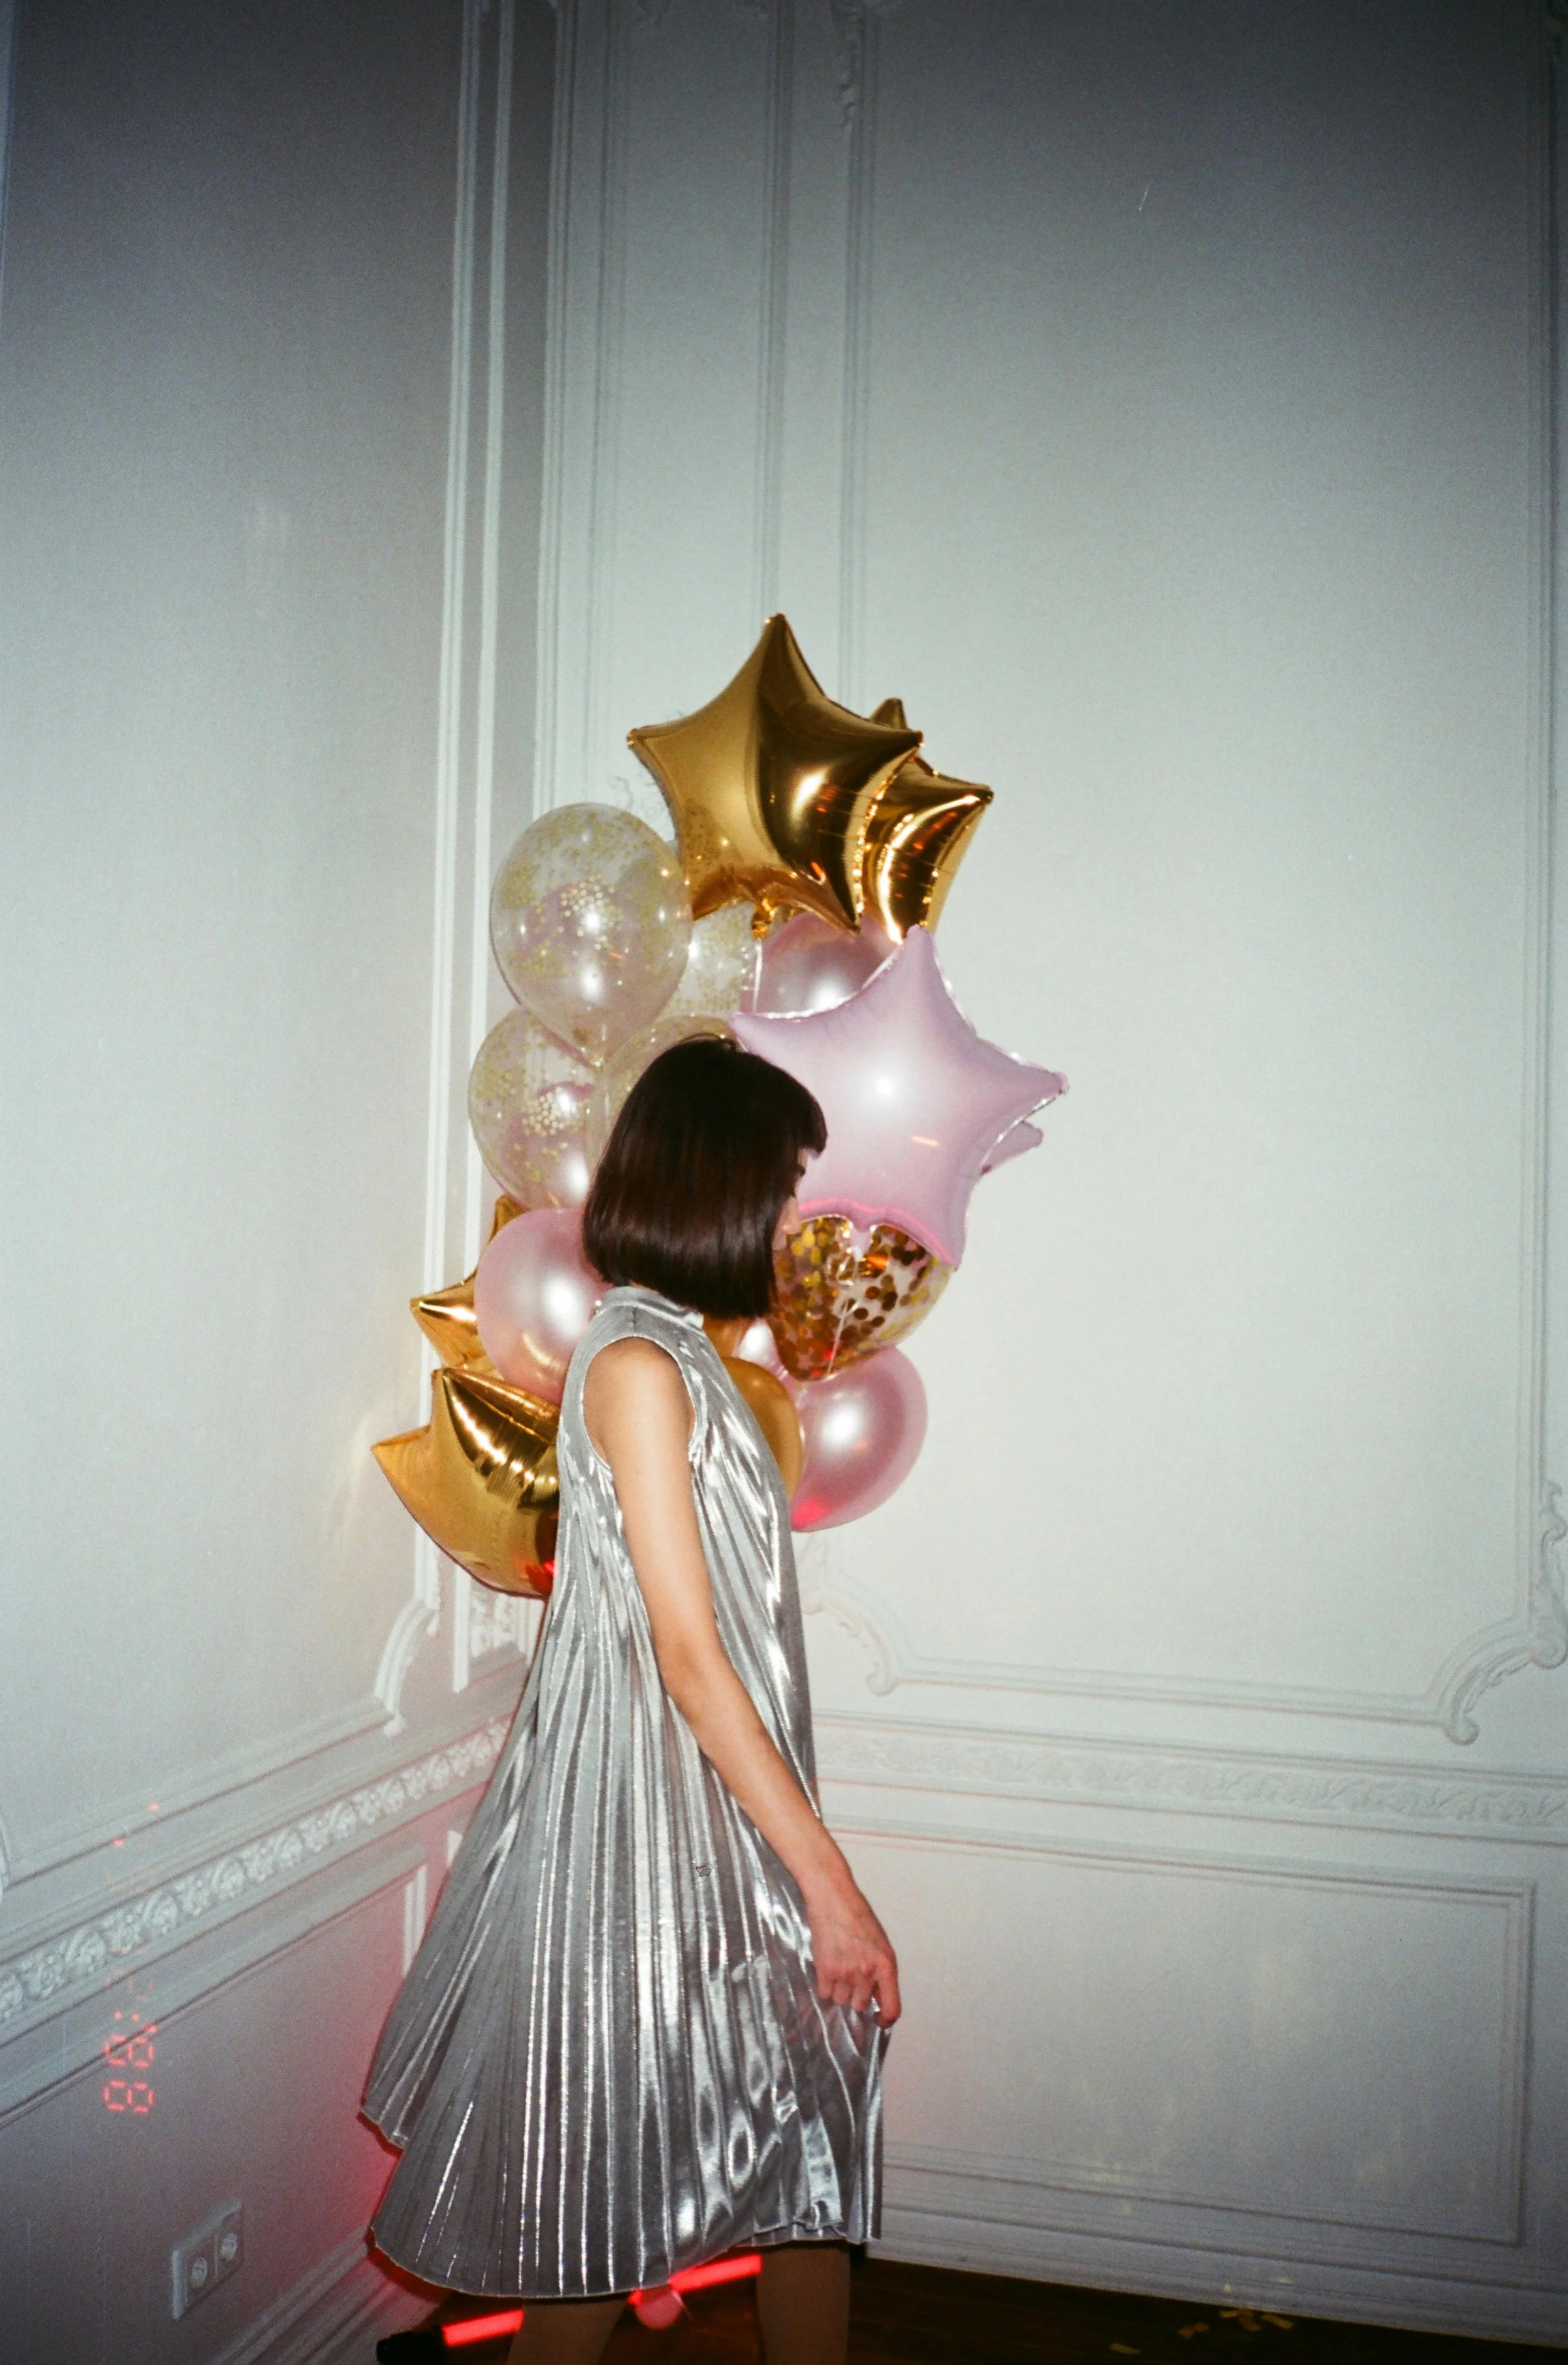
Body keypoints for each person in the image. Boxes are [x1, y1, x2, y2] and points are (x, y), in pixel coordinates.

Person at [364, 1034, 900, 2365]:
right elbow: (690, 1656)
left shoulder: (665, 1350)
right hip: (657, 1858)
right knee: (597, 2216)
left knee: (794, 2158)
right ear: (717, 1182)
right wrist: (832, 1886)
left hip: (711, 1834)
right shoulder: (642, 1367)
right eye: (778, 1185)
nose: (789, 1218)